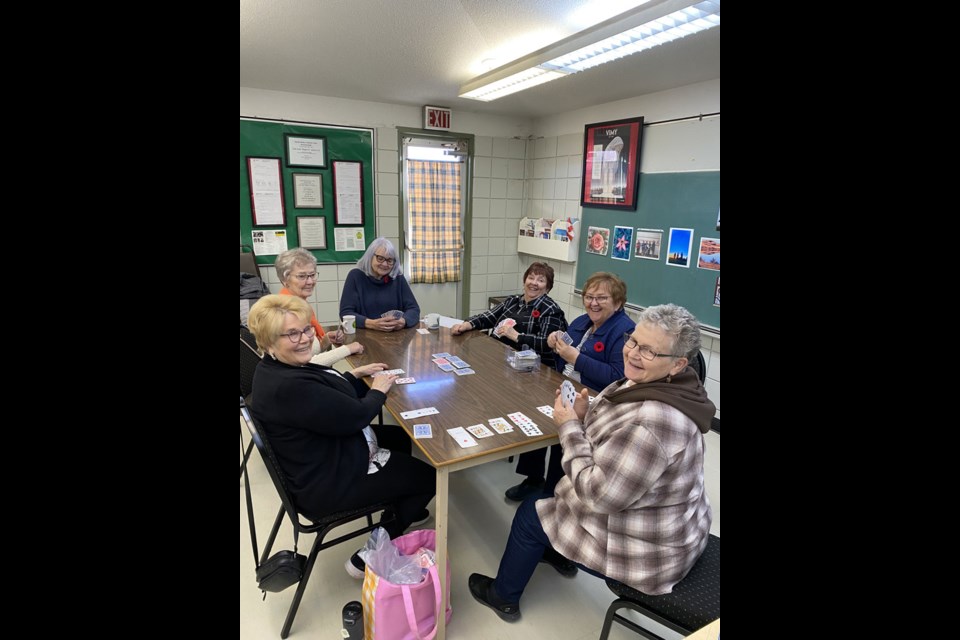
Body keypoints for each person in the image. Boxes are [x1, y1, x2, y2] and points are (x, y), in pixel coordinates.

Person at [468, 303, 715, 622]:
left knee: (531, 513)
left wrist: (569, 424)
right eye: (633, 341)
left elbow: (597, 495)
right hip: (675, 527)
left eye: (650, 351)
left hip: (652, 553)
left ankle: (502, 597)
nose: (633, 354)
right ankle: (556, 551)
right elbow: (620, 415)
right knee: (552, 496)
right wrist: (589, 412)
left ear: (678, 363)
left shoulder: (654, 423)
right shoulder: (675, 385)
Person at [248, 295, 435, 578]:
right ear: (269, 341)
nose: (304, 339)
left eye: (306, 329)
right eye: (292, 334)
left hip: (313, 459)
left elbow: (325, 394)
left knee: (397, 437)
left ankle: (398, 504)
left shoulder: (275, 368)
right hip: (326, 484)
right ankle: (369, 555)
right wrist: (378, 390)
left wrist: (354, 375)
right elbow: (355, 416)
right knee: (429, 478)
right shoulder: (289, 387)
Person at [503, 272, 636, 501]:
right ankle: (533, 478)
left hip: (594, 399)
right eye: (589, 297)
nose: (593, 303)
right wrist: (556, 342)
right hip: (564, 385)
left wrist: (576, 358)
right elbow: (563, 356)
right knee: (532, 410)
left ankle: (554, 493)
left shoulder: (625, 331)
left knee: (562, 430)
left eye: (601, 298)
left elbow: (618, 377)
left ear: (618, 302)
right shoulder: (582, 322)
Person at [451, 262, 567, 366]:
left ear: (548, 288)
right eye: (531, 278)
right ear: (524, 281)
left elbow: (547, 344)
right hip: (499, 357)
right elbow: (488, 317)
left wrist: (517, 336)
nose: (534, 283)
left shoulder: (551, 309)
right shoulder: (513, 300)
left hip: (529, 368)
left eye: (541, 281)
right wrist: (467, 324)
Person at [275, 248, 363, 366]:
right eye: (302, 276)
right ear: (285, 280)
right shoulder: (285, 312)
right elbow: (303, 365)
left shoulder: (300, 304)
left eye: (312, 275)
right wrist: (347, 349)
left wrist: (326, 340)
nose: (310, 281)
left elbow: (308, 352)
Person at [339, 238, 421, 331]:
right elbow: (345, 313)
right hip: (363, 337)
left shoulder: (397, 278)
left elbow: (414, 309)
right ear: (370, 257)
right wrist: (371, 324)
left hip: (394, 338)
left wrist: (404, 321)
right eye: (380, 258)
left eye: (390, 260)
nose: (385, 264)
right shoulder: (355, 276)